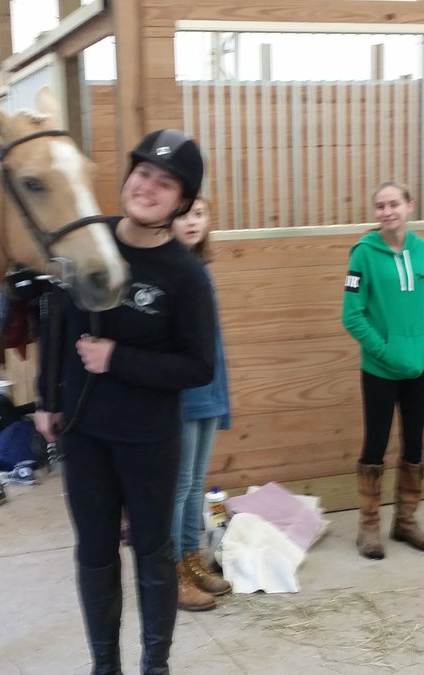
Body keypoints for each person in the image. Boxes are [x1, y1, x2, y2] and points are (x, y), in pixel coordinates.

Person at [35, 129, 215, 675]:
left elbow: (198, 367)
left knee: (153, 552)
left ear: (181, 202)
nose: (148, 187)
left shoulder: (185, 275)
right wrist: (45, 399)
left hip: (148, 438)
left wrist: (118, 358)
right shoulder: (90, 243)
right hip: (84, 432)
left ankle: (155, 665)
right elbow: (57, 322)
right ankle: (104, 666)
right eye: (143, 173)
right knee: (93, 552)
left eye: (166, 183)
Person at [342, 182, 424, 560]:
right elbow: (352, 315)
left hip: (419, 367)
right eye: (380, 206)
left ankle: (406, 520)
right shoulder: (363, 254)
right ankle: (368, 527)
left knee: (415, 442)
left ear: (410, 206)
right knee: (375, 443)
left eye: (393, 204)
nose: (386, 212)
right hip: (379, 369)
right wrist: (384, 352)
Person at [168, 198, 232, 611]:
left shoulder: (201, 267)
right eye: (183, 214)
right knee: (179, 485)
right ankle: (172, 570)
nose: (192, 222)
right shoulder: (169, 269)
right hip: (184, 392)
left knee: (196, 481)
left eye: (199, 214)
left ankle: (192, 560)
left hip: (210, 387)